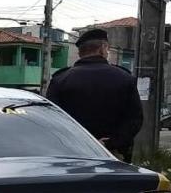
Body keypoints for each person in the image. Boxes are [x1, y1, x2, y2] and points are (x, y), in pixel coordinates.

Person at [46, 28, 143, 162]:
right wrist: (110, 143)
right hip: (113, 155)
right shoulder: (124, 78)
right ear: (103, 48)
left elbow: (52, 120)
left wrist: (80, 143)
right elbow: (135, 119)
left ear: (80, 53)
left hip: (72, 154)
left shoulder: (60, 79)